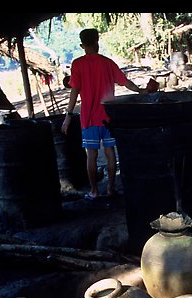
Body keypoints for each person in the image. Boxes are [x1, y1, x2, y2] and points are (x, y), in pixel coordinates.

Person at [61, 28, 147, 200]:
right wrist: (140, 91)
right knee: (110, 153)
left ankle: (94, 191)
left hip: (89, 118)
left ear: (82, 45)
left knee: (91, 156)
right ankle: (110, 189)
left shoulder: (77, 64)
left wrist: (68, 116)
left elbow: (74, 91)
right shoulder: (108, 63)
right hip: (108, 117)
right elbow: (125, 82)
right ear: (97, 41)